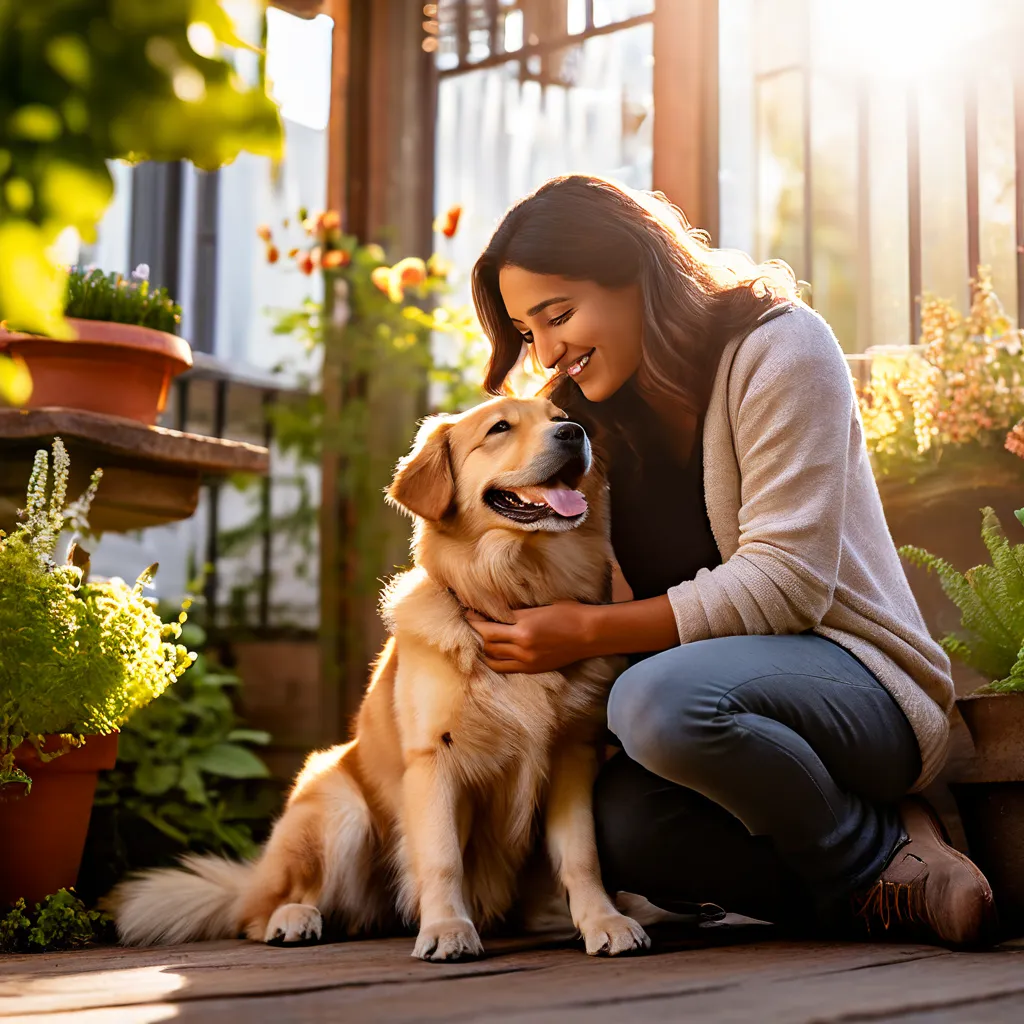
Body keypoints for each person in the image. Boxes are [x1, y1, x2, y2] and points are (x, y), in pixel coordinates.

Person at [465, 173, 996, 948]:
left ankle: (871, 858)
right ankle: (884, 869)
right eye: (525, 330)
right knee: (614, 826)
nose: (546, 351)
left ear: (637, 275)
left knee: (655, 703)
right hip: (718, 720)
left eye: (559, 316)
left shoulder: (782, 347)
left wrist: (586, 632)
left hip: (860, 686)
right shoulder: (583, 423)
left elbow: (786, 584)